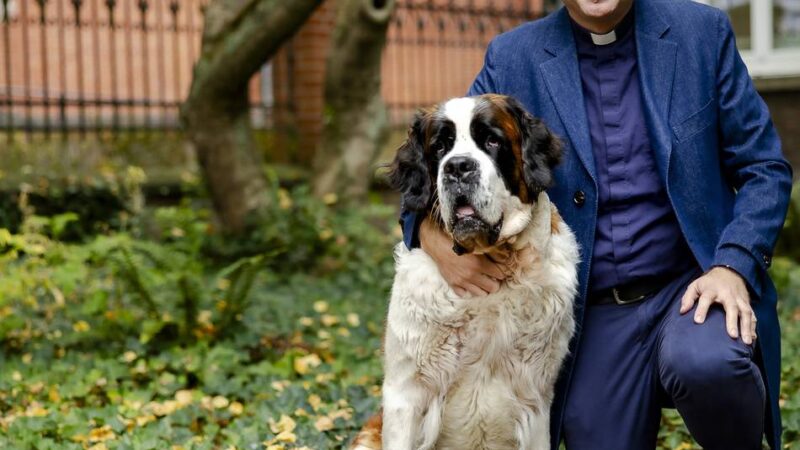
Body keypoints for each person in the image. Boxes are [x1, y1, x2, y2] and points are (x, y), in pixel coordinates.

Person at [398, 0, 793, 448]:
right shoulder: (514, 57)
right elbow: (440, 157)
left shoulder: (702, 33)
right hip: (593, 313)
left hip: (689, 289)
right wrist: (432, 240)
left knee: (709, 365)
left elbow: (764, 168)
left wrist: (733, 264)